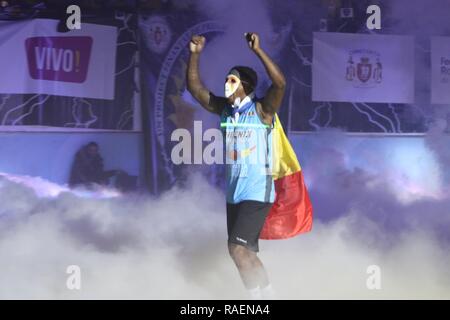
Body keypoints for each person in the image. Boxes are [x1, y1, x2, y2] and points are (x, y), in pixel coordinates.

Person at [187, 32, 286, 299]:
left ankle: (256, 302)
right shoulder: (225, 110)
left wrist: (258, 50)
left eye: (232, 80)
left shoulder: (262, 111)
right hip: (235, 194)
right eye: (226, 79)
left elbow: (280, 84)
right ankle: (270, 296)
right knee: (247, 254)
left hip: (257, 191)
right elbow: (196, 90)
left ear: (245, 86)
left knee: (236, 249)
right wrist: (195, 55)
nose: (226, 83)